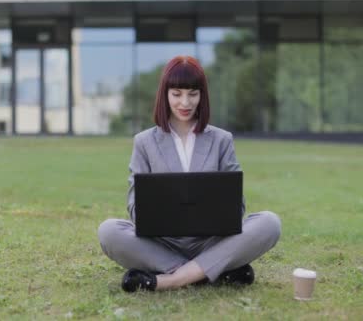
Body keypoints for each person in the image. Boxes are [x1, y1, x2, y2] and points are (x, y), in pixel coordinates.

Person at [98, 55, 281, 292]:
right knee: (109, 231)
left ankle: (171, 280)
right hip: (161, 244)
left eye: (193, 94)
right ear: (165, 94)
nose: (185, 102)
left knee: (269, 223)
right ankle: (216, 270)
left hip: (211, 241)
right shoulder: (144, 142)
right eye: (177, 94)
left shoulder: (221, 140)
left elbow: (238, 207)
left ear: (202, 95)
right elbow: (135, 208)